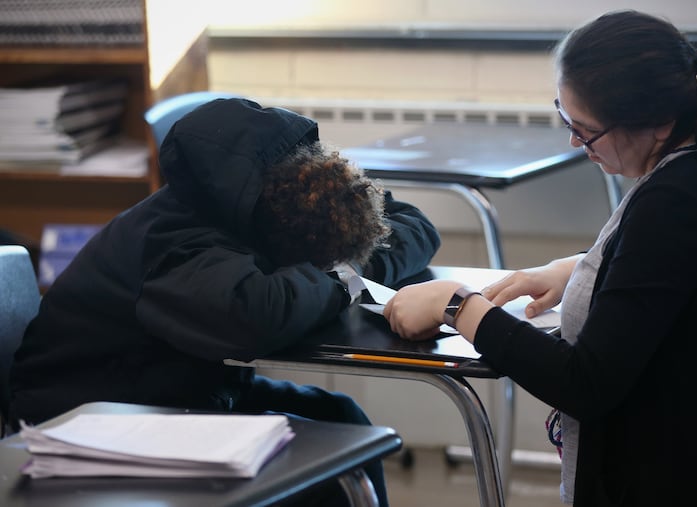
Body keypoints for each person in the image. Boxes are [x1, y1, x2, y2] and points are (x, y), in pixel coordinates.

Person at [384, 10, 697, 507]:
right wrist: (580, 267)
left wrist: (456, 306)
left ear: (659, 121)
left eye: (586, 130)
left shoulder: (676, 200)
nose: (575, 143)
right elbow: (675, 270)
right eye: (567, 120)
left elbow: (584, 383)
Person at [10, 97, 441, 507]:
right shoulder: (173, 243)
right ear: (270, 208)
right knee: (325, 477)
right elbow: (253, 315)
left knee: (342, 420)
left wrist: (350, 264)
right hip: (92, 416)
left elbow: (411, 226)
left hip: (180, 390)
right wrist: (345, 278)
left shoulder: (287, 198)